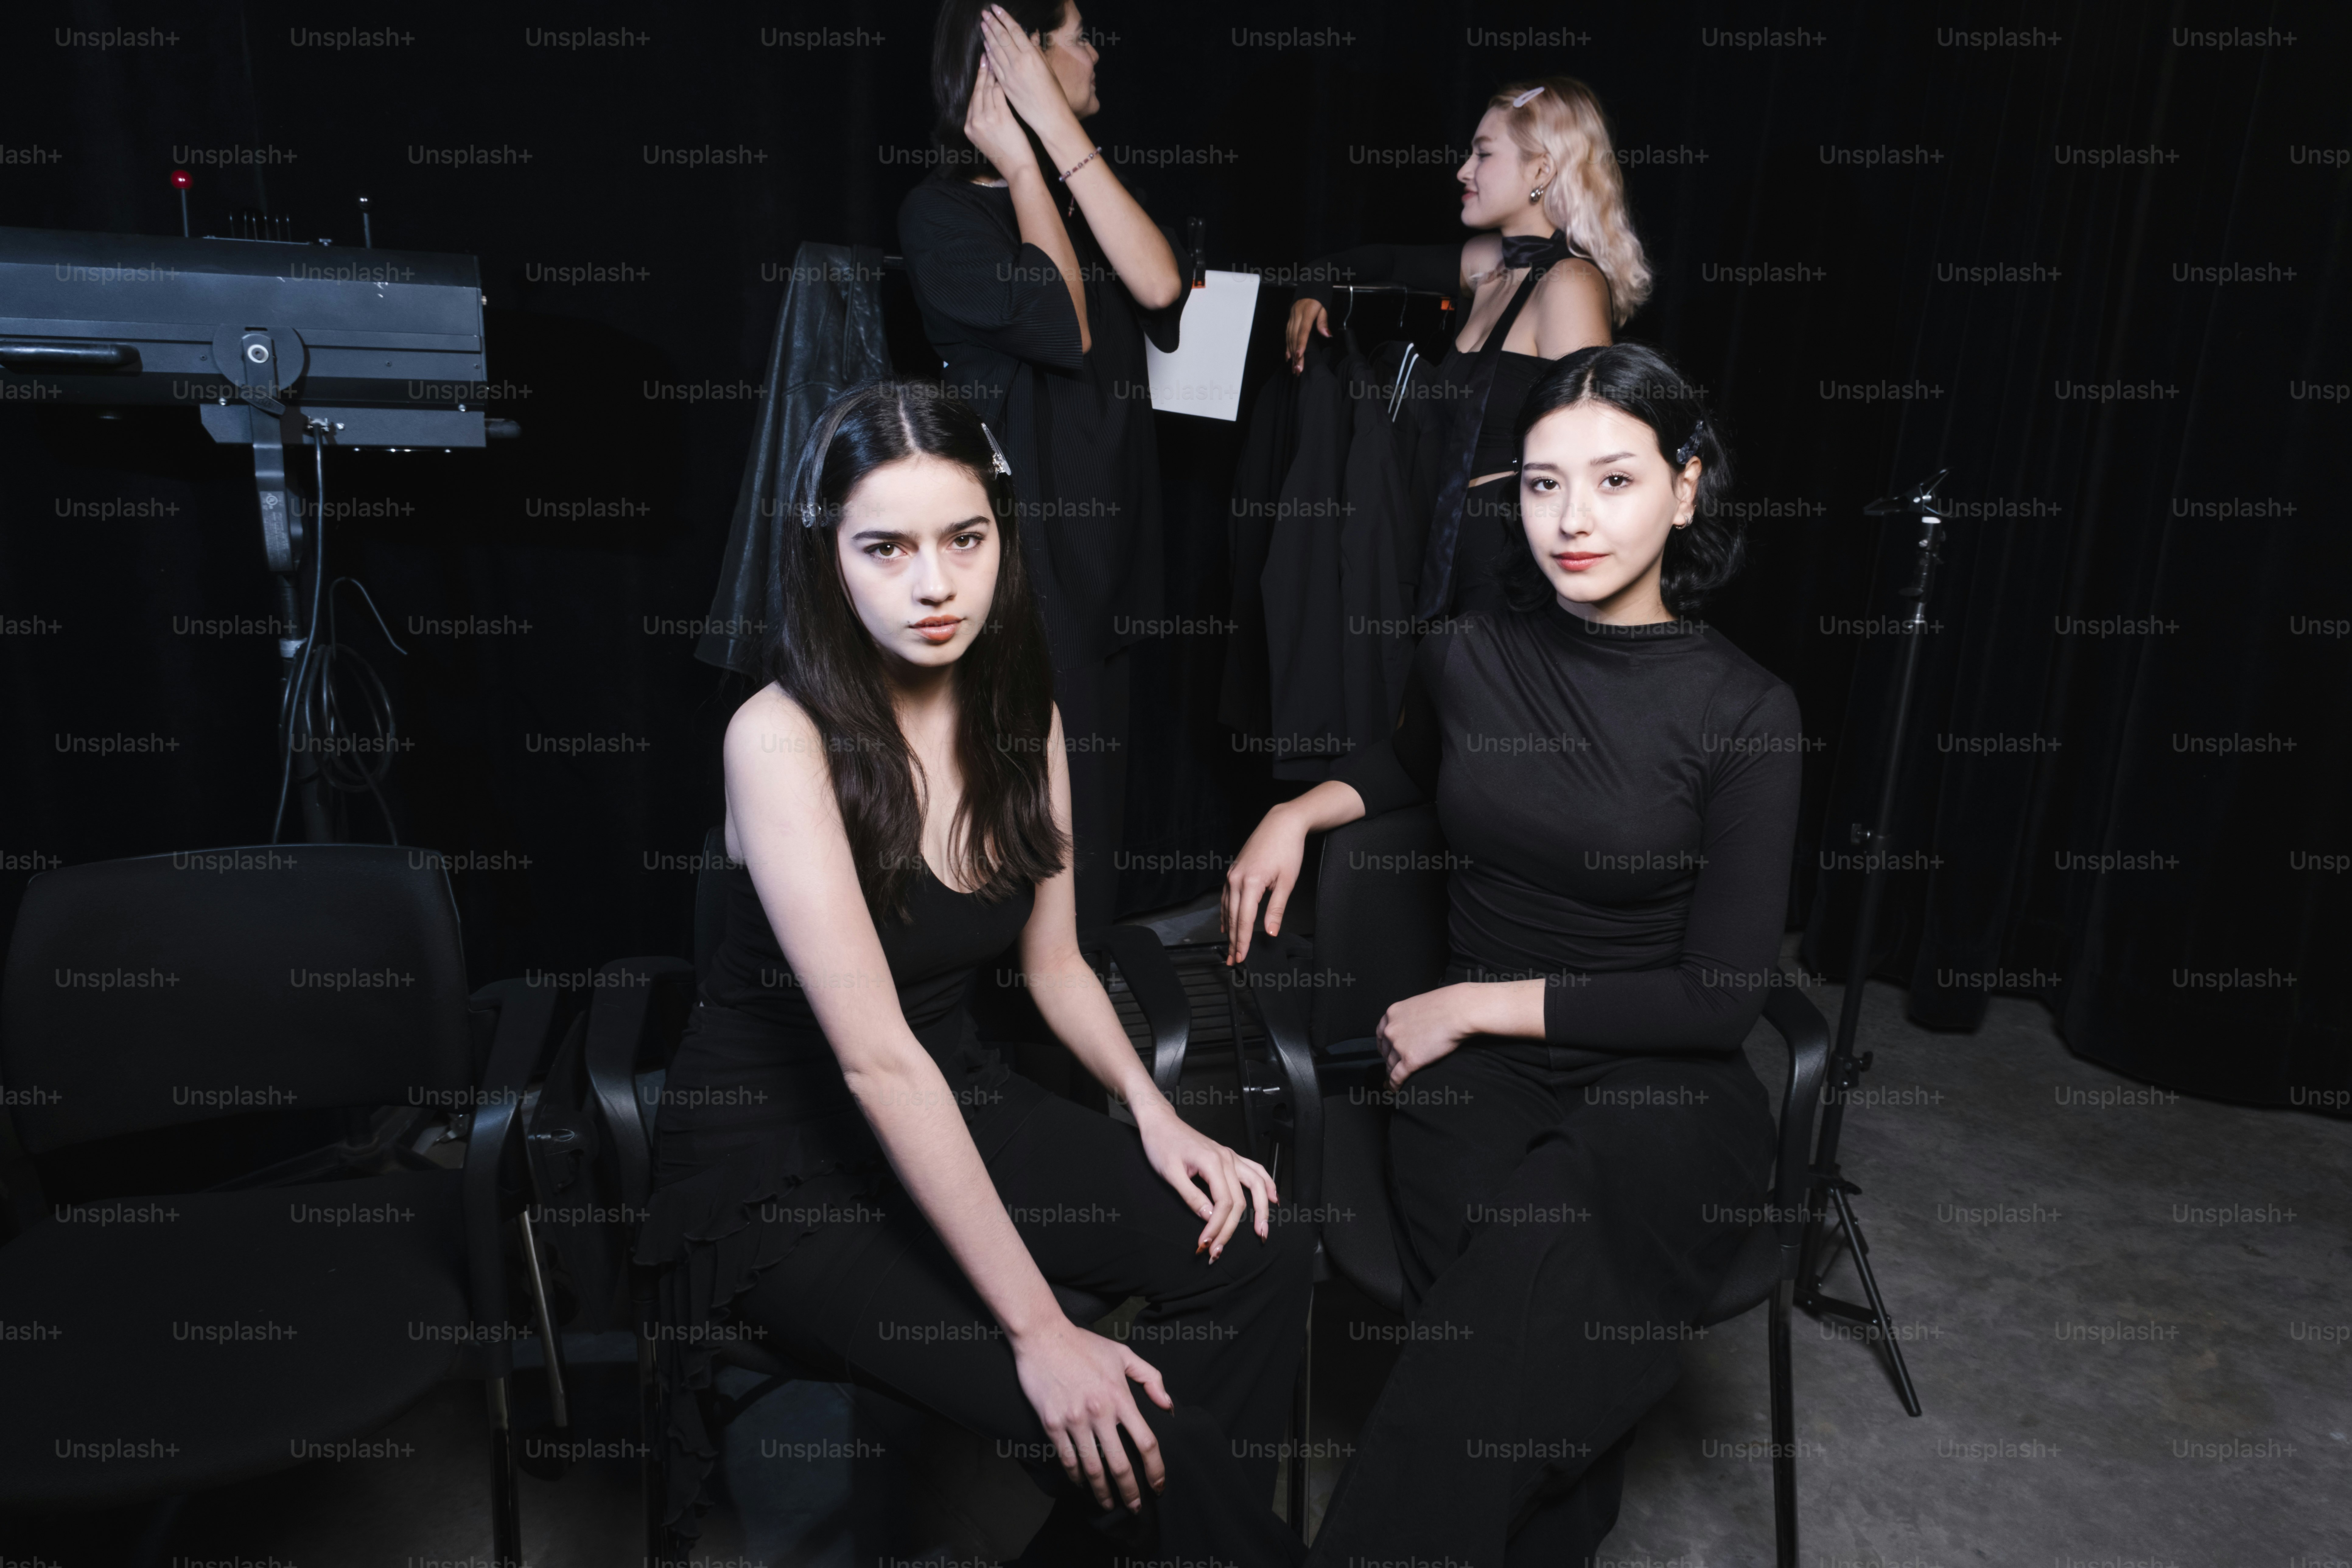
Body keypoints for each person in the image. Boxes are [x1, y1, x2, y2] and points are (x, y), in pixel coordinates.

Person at [638, 380, 1311, 1566]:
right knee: (1141, 1430)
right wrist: (1041, 1329)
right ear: (826, 558)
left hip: (958, 1097)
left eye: (965, 539)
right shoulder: (779, 739)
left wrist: (1158, 1116)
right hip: (784, 1166)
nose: (935, 584)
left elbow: (1053, 967)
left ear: (1003, 534)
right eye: (885, 548)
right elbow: (872, 1057)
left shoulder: (1026, 718)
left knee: (1260, 1254)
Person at [1220, 344, 1799, 1566]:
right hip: (1473, 1073)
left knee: (1535, 1250)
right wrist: (1300, 808)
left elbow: (1718, 999)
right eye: (1542, 485)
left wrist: (1480, 1004)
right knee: (1527, 1308)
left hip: (1665, 1074)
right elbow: (1415, 769)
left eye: (1614, 479)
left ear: (1688, 488)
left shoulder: (1747, 711)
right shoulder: (1469, 651)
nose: (1572, 520)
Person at [898, 0, 1189, 936]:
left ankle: (1074, 1062)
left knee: (1089, 838)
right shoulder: (940, 213)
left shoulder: (1078, 196)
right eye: (1075, 36)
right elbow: (1066, 329)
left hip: (1101, 563)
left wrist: (1051, 142)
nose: (1098, 50)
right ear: (1013, 55)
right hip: (1023, 571)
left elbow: (1157, 285)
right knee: (1027, 831)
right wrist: (1025, 159)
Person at [1286, 77, 1652, 617]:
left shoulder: (1569, 284)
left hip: (1506, 560)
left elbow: (1591, 455)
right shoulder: (1487, 265)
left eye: (1483, 154)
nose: (1463, 170)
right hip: (1442, 539)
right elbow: (1381, 262)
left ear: (1541, 171)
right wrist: (1314, 285)